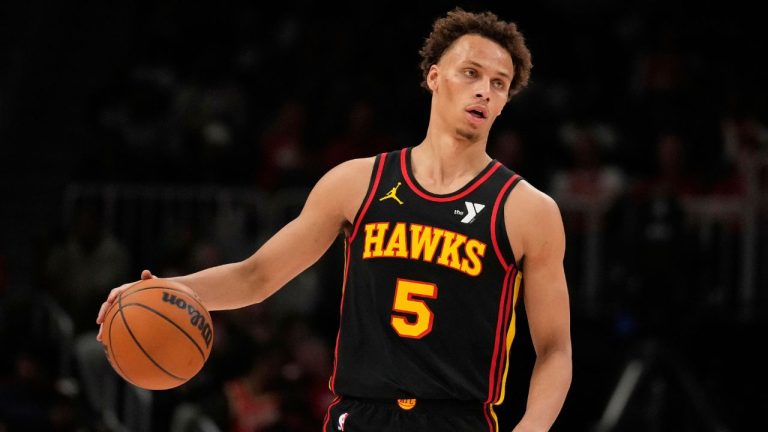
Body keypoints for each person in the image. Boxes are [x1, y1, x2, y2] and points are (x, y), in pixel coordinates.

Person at [96, 8, 572, 431]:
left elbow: (554, 350)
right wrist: (165, 290)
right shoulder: (357, 182)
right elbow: (257, 275)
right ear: (433, 76)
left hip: (457, 417)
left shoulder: (527, 209)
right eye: (470, 72)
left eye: (498, 83)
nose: (483, 91)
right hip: (359, 415)